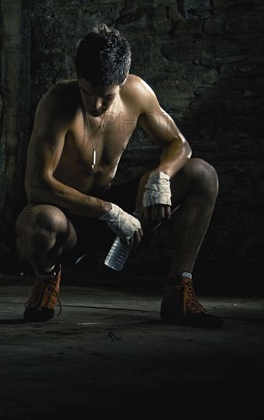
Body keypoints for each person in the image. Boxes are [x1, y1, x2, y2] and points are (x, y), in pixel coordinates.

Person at [15, 24, 222, 329]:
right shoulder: (58, 102)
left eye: (107, 97)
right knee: (37, 223)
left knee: (203, 175)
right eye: (88, 93)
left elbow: (179, 144)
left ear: (122, 81)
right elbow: (37, 185)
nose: (96, 105)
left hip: (127, 210)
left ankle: (179, 289)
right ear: (77, 77)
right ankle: (47, 279)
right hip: (70, 217)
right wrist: (108, 212)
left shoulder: (137, 93)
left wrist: (161, 178)